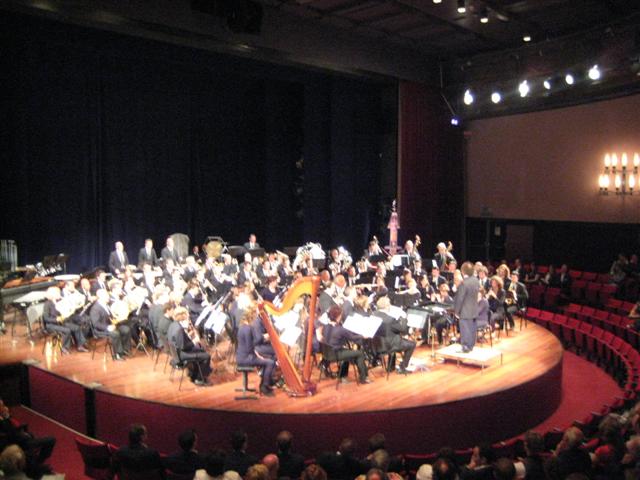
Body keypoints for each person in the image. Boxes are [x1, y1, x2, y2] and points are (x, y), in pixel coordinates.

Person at [0, 399, 56, 475]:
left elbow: (14, 425)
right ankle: (38, 462)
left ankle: (35, 463)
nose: (5, 407)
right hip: (18, 443)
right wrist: (7, 417)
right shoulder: (2, 421)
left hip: (20, 439)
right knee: (51, 440)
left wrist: (7, 416)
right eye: (2, 406)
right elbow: (11, 432)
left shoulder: (2, 418)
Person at [321, 305, 371, 384]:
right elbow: (352, 338)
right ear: (338, 317)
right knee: (359, 353)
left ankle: (343, 376)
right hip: (335, 354)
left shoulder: (325, 327)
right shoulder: (340, 329)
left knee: (348, 352)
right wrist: (363, 336)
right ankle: (363, 378)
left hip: (327, 353)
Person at [167, 307, 212, 386]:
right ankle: (199, 379)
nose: (188, 318)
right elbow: (184, 347)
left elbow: (180, 341)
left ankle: (195, 375)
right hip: (182, 355)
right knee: (206, 356)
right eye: (187, 316)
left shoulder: (173, 325)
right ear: (183, 317)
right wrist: (194, 341)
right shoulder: (179, 329)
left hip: (177, 353)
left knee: (201, 350)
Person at [236, 307, 276, 396]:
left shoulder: (242, 327)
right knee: (270, 362)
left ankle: (265, 383)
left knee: (268, 360)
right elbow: (250, 348)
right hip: (246, 358)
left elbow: (249, 347)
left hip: (241, 357)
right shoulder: (248, 329)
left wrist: (257, 355)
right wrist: (258, 356)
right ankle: (264, 387)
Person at [372, 296, 415, 374]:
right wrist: (404, 318)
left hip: (376, 345)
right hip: (389, 346)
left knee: (393, 336)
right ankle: (402, 367)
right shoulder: (390, 319)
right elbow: (403, 329)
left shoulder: (373, 315)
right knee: (412, 344)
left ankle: (391, 367)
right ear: (387, 306)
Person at [42, 286, 88, 354]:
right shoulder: (47, 304)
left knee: (76, 328)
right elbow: (46, 318)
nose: (59, 294)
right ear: (53, 294)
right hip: (51, 325)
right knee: (67, 330)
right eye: (58, 293)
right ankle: (64, 347)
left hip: (61, 322)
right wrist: (57, 319)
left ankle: (80, 345)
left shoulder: (59, 301)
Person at [89, 289, 131, 360]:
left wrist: (117, 318)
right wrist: (107, 327)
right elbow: (96, 323)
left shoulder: (106, 305)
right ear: (100, 296)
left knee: (126, 329)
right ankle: (117, 354)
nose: (108, 297)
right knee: (115, 333)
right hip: (101, 329)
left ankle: (125, 349)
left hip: (112, 326)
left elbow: (111, 317)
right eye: (106, 295)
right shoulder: (95, 308)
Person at [455, 262, 480, 353]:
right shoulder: (476, 280)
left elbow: (460, 299)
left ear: (463, 271)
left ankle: (465, 347)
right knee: (472, 329)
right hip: (474, 309)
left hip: (465, 311)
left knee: (465, 329)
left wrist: (457, 311)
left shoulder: (464, 283)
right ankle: (471, 346)